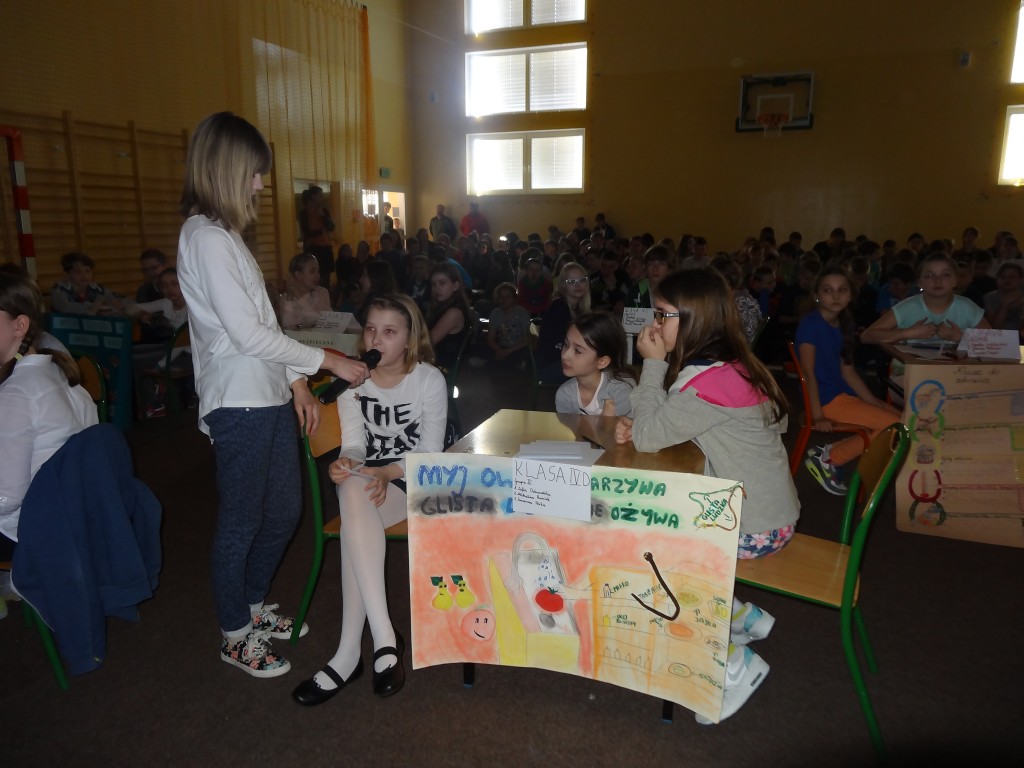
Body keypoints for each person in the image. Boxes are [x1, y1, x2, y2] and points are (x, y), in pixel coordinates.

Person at [177, 111, 369, 678]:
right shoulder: (205, 238)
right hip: (238, 401)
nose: (261, 184)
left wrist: (297, 383)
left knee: (285, 510)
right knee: (242, 519)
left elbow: (264, 324)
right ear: (225, 169)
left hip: (266, 394)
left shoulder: (226, 237)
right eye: (255, 172)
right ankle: (234, 633)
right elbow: (246, 335)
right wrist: (329, 360)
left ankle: (253, 605)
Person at [613, 267, 798, 723]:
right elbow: (676, 423)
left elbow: (650, 438)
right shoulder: (733, 365)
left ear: (694, 319)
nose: (654, 325)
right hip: (772, 513)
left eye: (663, 315)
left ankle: (734, 664)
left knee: (650, 553)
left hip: (752, 527)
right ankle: (739, 616)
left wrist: (652, 366)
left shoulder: (704, 381)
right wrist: (654, 422)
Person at [292, 294, 447, 705]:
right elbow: (356, 445)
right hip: (367, 481)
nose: (376, 339)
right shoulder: (353, 380)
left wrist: (387, 472)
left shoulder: (428, 379)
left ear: (410, 339)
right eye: (371, 329)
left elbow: (429, 453)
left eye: (390, 331)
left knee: (353, 516)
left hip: (414, 478)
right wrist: (347, 461)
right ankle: (382, 639)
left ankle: (349, 655)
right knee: (352, 491)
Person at [0, 271, 99, 567]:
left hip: (29, 529)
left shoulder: (16, 392)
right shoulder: (56, 370)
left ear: (19, 325)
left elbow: (7, 498)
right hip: (72, 517)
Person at [796, 267, 902, 495]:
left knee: (902, 422)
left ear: (850, 295)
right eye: (828, 290)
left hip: (842, 396)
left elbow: (849, 372)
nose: (835, 296)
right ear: (816, 295)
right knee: (894, 427)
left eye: (842, 290)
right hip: (827, 400)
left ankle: (830, 452)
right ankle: (831, 458)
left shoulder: (844, 324)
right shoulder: (811, 325)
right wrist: (817, 415)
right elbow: (808, 373)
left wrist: (874, 402)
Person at [860, 253, 989, 346]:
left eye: (945, 274)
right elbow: (867, 336)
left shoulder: (966, 307)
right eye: (930, 275)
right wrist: (907, 333)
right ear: (919, 282)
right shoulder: (908, 307)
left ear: (955, 280)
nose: (937, 280)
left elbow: (995, 342)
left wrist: (961, 337)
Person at [555, 311, 636, 416]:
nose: (565, 355)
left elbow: (612, 427)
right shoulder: (564, 394)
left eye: (578, 351)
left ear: (602, 361)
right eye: (566, 345)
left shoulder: (620, 390)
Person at [534, 262, 592, 384]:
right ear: (563, 286)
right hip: (551, 366)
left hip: (567, 361)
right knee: (597, 366)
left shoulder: (580, 309)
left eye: (582, 280)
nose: (578, 285)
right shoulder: (558, 307)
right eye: (571, 282)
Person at [50, 252, 149, 321]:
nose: (84, 276)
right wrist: (97, 307)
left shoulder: (97, 289)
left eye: (87, 271)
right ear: (67, 274)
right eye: (77, 272)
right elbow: (67, 308)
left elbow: (117, 300)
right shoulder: (59, 290)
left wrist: (135, 311)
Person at [426, 262, 470, 373]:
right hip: (435, 364)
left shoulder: (453, 312)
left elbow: (428, 343)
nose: (437, 288)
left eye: (442, 283)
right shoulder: (444, 307)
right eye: (434, 284)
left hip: (441, 369)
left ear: (455, 286)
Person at [275, 253, 331, 330]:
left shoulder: (321, 293)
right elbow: (289, 328)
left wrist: (299, 296)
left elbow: (320, 322)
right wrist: (290, 295)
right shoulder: (285, 298)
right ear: (298, 275)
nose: (317, 275)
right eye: (312, 272)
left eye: (318, 271)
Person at [485, 282, 530, 369]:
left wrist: (507, 351)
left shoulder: (522, 313)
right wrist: (500, 350)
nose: (504, 300)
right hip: (501, 346)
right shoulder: (495, 313)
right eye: (501, 297)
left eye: (507, 297)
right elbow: (490, 338)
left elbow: (527, 340)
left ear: (514, 298)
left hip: (518, 348)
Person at [299, 185, 336, 288]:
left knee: (326, 277)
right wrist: (321, 230)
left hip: (326, 247)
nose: (321, 198)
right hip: (313, 248)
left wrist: (323, 216)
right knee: (313, 276)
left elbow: (331, 227)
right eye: (319, 195)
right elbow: (307, 232)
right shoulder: (304, 213)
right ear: (312, 197)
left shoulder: (324, 211)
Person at [983, 261, 1024, 336]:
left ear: (1021, 279)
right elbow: (994, 328)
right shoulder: (989, 297)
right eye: (1002, 277)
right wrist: (1004, 305)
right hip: (999, 336)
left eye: (1012, 277)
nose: (1007, 280)